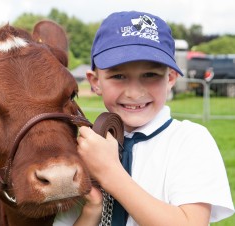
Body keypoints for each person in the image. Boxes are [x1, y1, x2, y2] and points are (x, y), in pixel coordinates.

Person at [53, 11, 234, 226]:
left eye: (150, 75)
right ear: (95, 82)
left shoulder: (190, 141)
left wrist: (110, 173)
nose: (134, 93)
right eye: (118, 76)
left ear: (171, 78)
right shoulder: (86, 148)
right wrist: (93, 208)